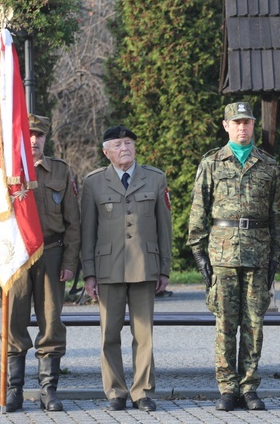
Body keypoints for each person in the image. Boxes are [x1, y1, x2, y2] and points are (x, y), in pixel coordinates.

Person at [188, 102, 280, 412]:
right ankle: (228, 388)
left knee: (255, 324)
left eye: (247, 122)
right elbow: (198, 212)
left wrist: (276, 257)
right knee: (226, 325)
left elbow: (278, 216)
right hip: (222, 254)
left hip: (257, 255)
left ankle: (249, 387)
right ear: (226, 125)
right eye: (237, 122)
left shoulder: (269, 165)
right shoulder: (212, 163)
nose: (242, 127)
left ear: (254, 125)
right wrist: (199, 254)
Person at [80, 125, 172, 412]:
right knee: (109, 334)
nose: (125, 149)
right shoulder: (93, 183)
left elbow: (164, 227)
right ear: (106, 152)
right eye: (118, 144)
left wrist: (164, 269)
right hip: (108, 268)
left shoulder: (155, 178)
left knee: (143, 335)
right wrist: (89, 273)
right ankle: (116, 392)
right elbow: (87, 232)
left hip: (145, 266)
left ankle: (142, 391)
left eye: (129, 143)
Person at [4, 114, 81, 412]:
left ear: (46, 139)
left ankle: (48, 390)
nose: (33, 140)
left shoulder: (60, 171)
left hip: (51, 254)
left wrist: (70, 263)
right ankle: (14, 390)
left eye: (39, 136)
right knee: (14, 322)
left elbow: (73, 222)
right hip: (17, 257)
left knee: (51, 323)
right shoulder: (7, 171)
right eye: (28, 134)